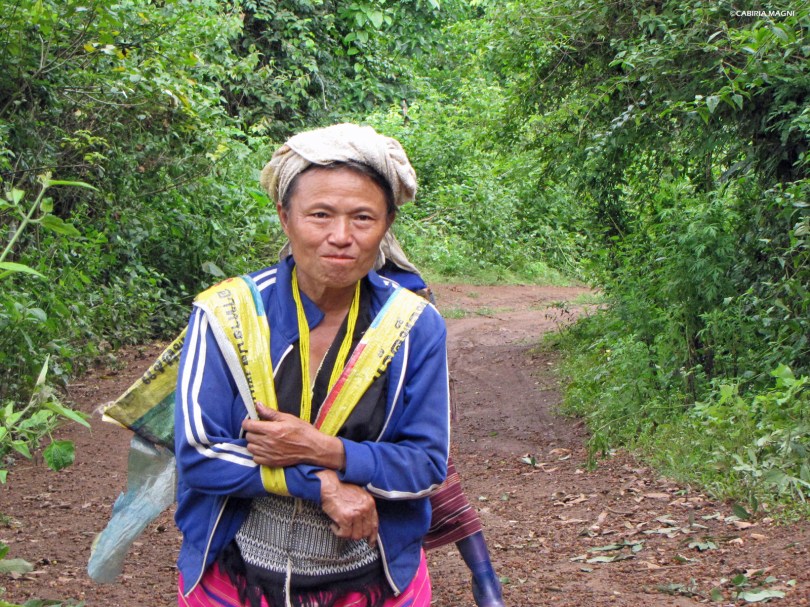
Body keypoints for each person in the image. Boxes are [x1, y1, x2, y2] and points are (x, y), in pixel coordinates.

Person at [174, 123, 450, 607]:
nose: (340, 237)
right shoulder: (226, 315)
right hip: (234, 577)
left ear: (386, 225)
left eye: (363, 218)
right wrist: (320, 482)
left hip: (374, 580)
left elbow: (426, 466)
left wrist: (326, 449)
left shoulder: (414, 327)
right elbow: (199, 454)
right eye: (319, 214)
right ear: (285, 217)